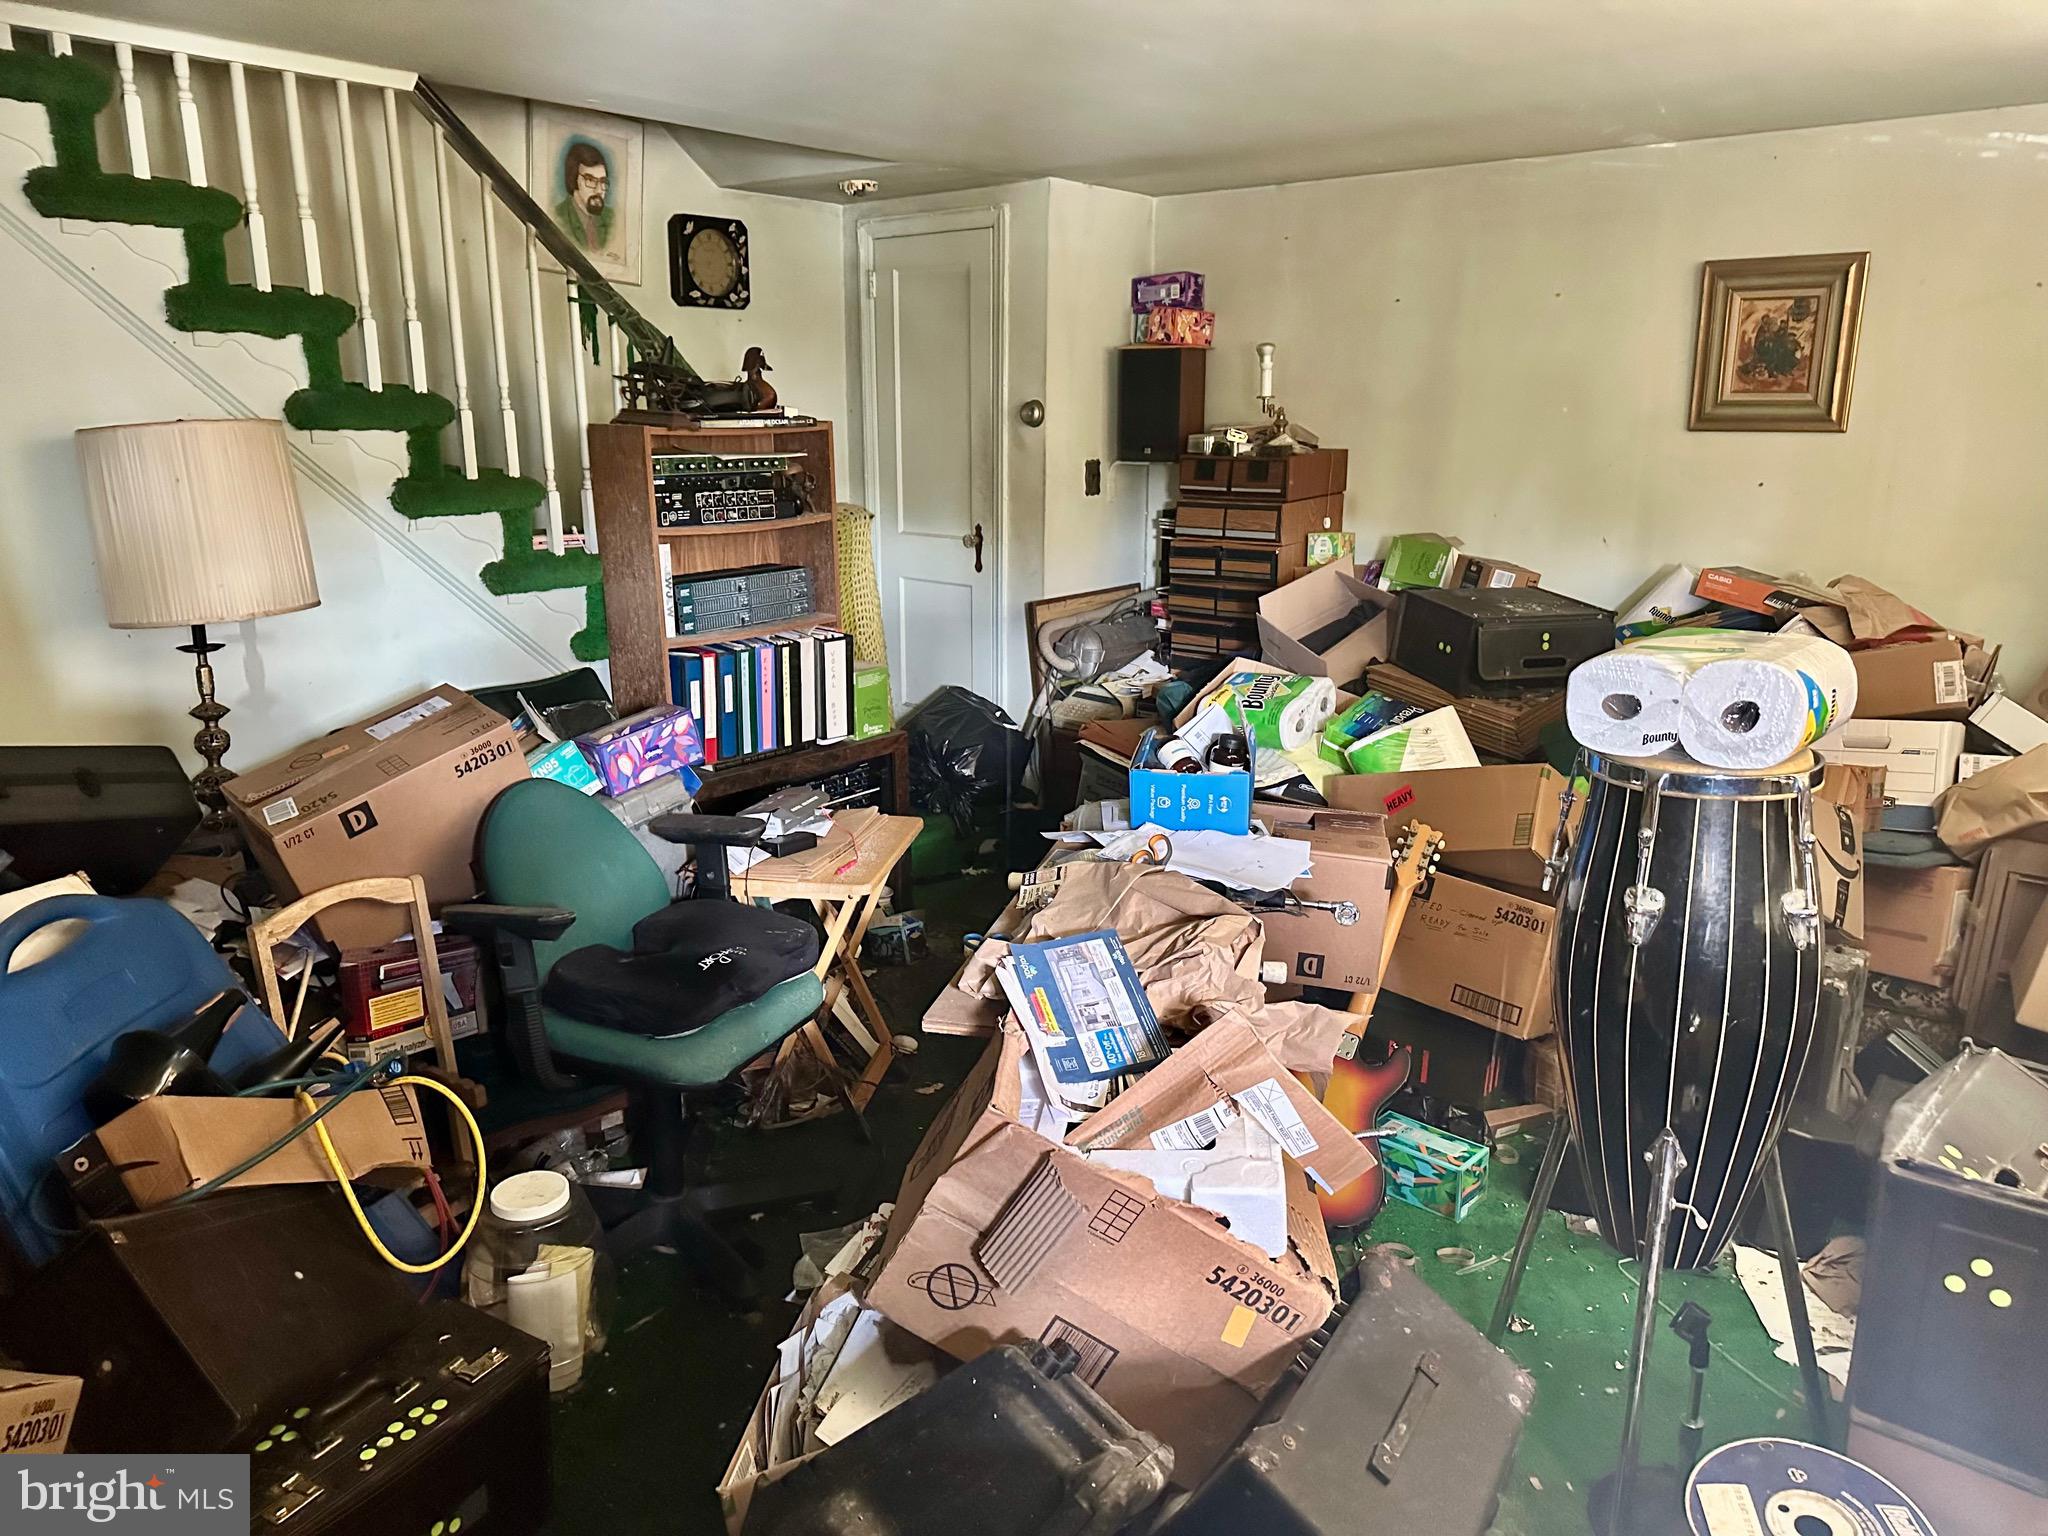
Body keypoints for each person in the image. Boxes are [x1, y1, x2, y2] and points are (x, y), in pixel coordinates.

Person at [555, 141, 613, 253]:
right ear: (573, 179)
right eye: (590, 180)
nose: (598, 190)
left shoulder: (611, 217)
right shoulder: (558, 217)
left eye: (602, 181)